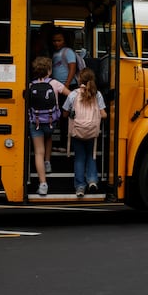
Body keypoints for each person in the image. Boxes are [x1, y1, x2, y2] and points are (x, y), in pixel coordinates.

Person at [61, 68, 107, 198]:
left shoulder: (73, 94)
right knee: (91, 156)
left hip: (77, 131)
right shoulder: (97, 94)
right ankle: (92, 181)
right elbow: (104, 115)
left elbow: (64, 113)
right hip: (92, 131)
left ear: (79, 79)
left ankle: (80, 187)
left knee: (79, 158)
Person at [28, 57, 70, 196]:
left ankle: (43, 184)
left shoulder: (30, 85)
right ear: (49, 70)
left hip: (36, 122)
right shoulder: (54, 83)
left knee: (38, 152)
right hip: (52, 122)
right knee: (49, 137)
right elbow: (70, 95)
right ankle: (48, 162)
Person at [51, 30, 78, 152]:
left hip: (67, 87)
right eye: (54, 40)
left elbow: (72, 68)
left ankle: (66, 144)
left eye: (59, 40)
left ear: (65, 40)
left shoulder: (68, 52)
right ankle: (62, 143)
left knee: (65, 116)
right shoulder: (55, 53)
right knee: (61, 116)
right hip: (58, 87)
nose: (56, 43)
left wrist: (66, 84)